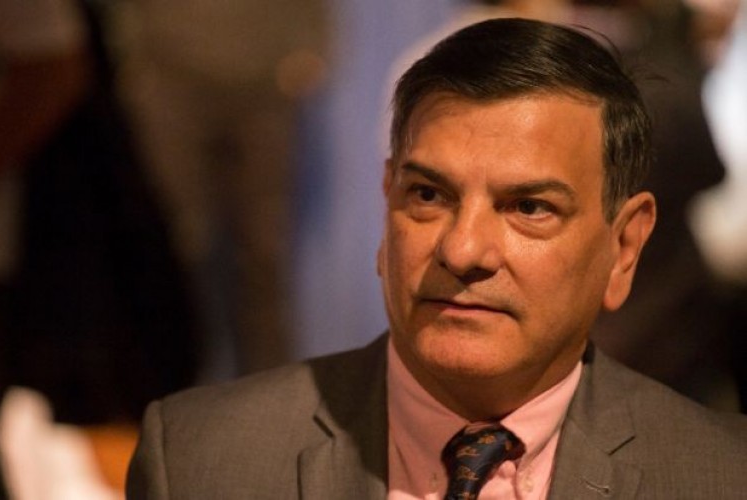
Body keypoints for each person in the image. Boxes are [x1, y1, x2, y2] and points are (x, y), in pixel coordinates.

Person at [126, 18, 747, 499]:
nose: (463, 249)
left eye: (528, 207)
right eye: (428, 195)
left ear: (623, 248)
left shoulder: (721, 477)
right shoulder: (200, 460)